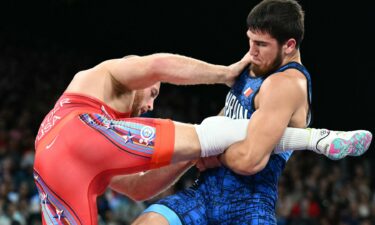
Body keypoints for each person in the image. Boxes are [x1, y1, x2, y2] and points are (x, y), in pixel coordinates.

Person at [34, 39, 370, 225]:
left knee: (207, 137)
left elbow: (139, 188)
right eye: (153, 93)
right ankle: (316, 138)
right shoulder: (111, 73)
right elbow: (157, 65)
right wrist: (223, 73)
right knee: (210, 130)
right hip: (82, 130)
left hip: (50, 167)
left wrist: (191, 155)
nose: (150, 105)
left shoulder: (96, 126)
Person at [132, 0, 373, 225]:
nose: (252, 51)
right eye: (250, 40)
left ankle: (316, 139)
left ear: (289, 45)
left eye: (261, 44)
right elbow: (223, 121)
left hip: (248, 208)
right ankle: (315, 139)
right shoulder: (256, 63)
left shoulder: (287, 84)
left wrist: (210, 153)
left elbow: (250, 160)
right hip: (202, 195)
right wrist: (204, 144)